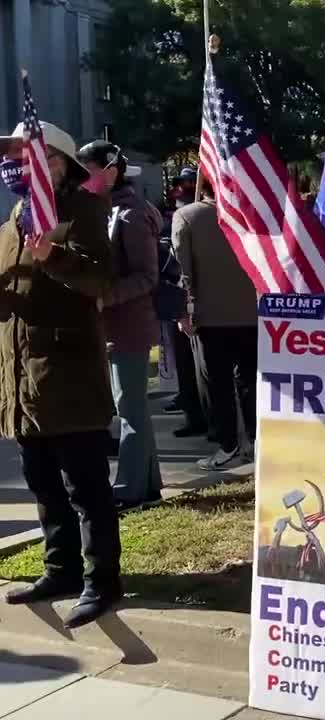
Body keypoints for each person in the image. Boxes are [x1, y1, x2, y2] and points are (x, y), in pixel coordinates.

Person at [0, 121, 120, 628]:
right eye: (15, 156)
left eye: (33, 155)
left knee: (86, 489)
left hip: (67, 375)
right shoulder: (14, 217)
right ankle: (61, 570)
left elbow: (100, 277)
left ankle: (103, 582)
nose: (20, 164)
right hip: (20, 381)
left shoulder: (84, 211)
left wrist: (55, 257)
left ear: (62, 164)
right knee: (43, 485)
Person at [77, 141, 164, 512]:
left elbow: (148, 276)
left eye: (89, 170)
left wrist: (105, 298)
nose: (84, 179)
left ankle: (129, 488)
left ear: (111, 170)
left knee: (129, 409)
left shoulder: (130, 216)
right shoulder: (107, 211)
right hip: (113, 327)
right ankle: (150, 485)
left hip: (128, 327)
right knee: (133, 408)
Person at [171, 177, 258, 471]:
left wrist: (183, 312)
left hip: (209, 317)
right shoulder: (254, 215)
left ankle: (228, 445)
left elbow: (181, 271)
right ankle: (257, 442)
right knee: (250, 382)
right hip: (252, 315)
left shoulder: (187, 216)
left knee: (216, 386)